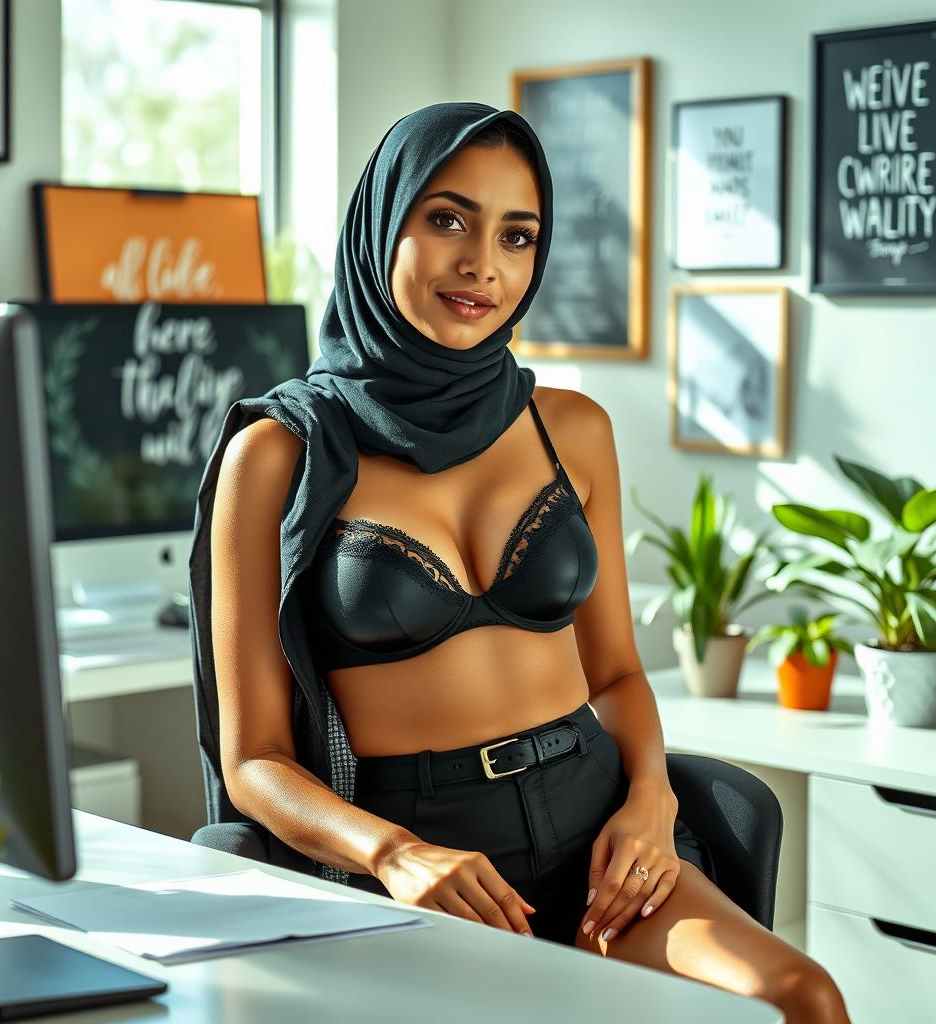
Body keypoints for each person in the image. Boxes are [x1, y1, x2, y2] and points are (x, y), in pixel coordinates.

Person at [190, 102, 850, 1024]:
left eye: (517, 235)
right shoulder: (278, 455)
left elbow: (617, 672)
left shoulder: (573, 429)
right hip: (422, 858)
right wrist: (393, 855)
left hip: (596, 827)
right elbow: (254, 758)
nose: (482, 264)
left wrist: (650, 801)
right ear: (383, 223)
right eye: (447, 219)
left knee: (801, 999)